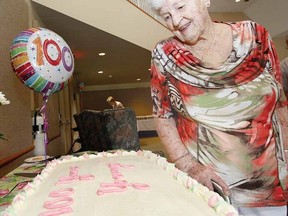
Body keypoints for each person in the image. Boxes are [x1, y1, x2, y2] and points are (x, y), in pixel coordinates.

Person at [148, 0, 288, 215]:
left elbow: (279, 102)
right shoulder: (164, 55)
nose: (175, 21)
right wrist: (188, 165)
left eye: (180, 7)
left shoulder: (256, 36)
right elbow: (162, 116)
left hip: (268, 183)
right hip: (210, 188)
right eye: (166, 16)